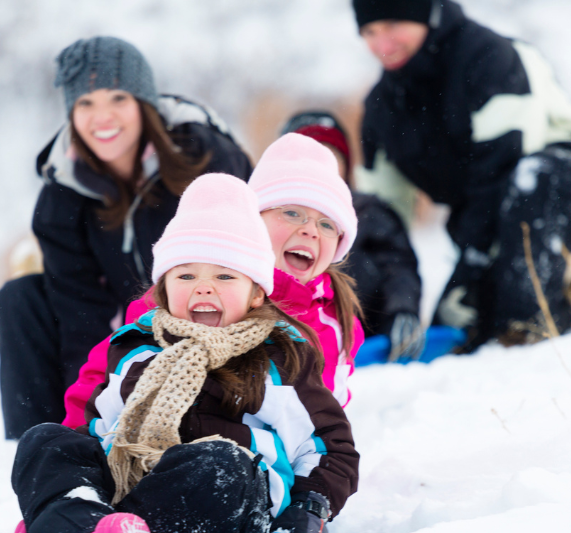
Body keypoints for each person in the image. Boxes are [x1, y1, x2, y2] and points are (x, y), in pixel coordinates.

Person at [10, 173, 359, 533]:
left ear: (257, 292)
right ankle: (81, 525)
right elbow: (98, 427)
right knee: (45, 439)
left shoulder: (280, 356)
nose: (203, 287)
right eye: (186, 274)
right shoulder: (134, 348)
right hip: (130, 483)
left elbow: (329, 449)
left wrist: (310, 507)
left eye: (225, 275)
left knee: (220, 463)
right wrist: (69, 472)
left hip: (230, 500)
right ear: (163, 288)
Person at [0, 37, 253, 439]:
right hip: (123, 324)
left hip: (209, 313)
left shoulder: (205, 156)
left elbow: (245, 258)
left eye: (117, 98)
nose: (103, 117)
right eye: (85, 103)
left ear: (143, 103)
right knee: (19, 299)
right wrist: (86, 410)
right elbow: (77, 307)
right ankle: (42, 441)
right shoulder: (63, 192)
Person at [60, 133, 365, 430]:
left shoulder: (338, 320)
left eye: (326, 223)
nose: (311, 230)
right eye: (292, 212)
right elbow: (107, 371)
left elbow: (328, 415)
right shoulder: (191, 289)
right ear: (255, 221)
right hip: (165, 439)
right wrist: (77, 436)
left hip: (260, 459)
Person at [353, 0, 571, 349]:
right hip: (479, 222)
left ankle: (535, 333)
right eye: (369, 32)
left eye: (393, 24)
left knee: (535, 181)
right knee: (459, 328)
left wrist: (469, 268)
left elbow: (505, 168)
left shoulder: (488, 57)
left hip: (549, 199)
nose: (382, 44)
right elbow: (379, 216)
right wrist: (390, 304)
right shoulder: (383, 107)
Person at [281, 110, 424, 360]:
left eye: (331, 158)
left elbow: (398, 267)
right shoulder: (270, 217)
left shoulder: (369, 211)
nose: (322, 169)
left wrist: (402, 309)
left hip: (365, 337)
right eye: (311, 158)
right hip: (290, 338)